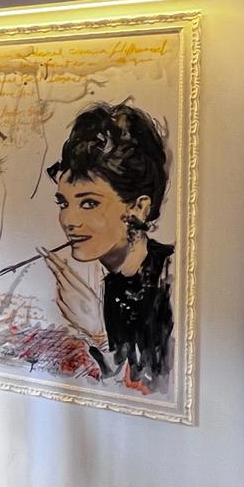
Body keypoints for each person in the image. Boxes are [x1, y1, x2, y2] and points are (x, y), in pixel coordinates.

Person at [43, 102, 173, 392]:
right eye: (64, 203)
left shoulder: (169, 281)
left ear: (139, 208)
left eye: (89, 203)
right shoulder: (115, 284)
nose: (69, 220)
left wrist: (97, 334)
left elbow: (153, 389)